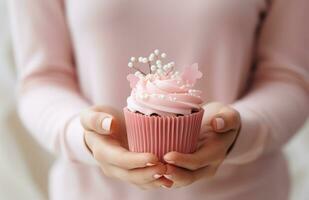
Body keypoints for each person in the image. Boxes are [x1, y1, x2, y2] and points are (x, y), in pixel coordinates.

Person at [9, 0, 308, 200]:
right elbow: (42, 78)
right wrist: (84, 135)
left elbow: (288, 79)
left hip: (245, 192)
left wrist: (238, 130)